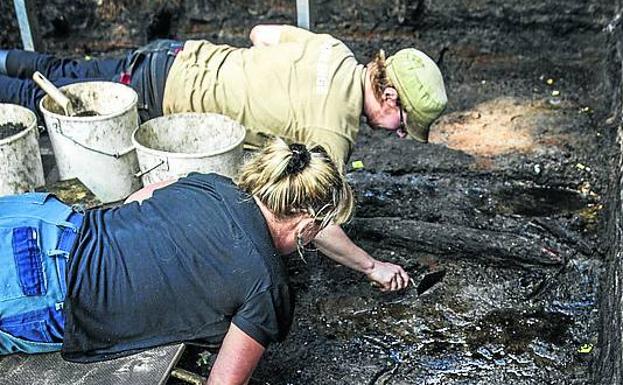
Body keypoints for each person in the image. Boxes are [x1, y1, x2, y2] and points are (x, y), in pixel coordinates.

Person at [0, 139, 357, 383]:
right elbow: (225, 380)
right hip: (42, 284)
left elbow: (137, 200)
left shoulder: (210, 184)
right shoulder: (267, 285)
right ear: (308, 224)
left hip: (40, 219)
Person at [0, 24, 448, 166]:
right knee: (54, 109)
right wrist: (371, 267)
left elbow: (259, 35)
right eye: (404, 124)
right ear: (388, 95)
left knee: (63, 73)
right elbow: (317, 222)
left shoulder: (333, 48)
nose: (402, 135)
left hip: (175, 55)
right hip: (161, 94)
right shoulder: (332, 131)